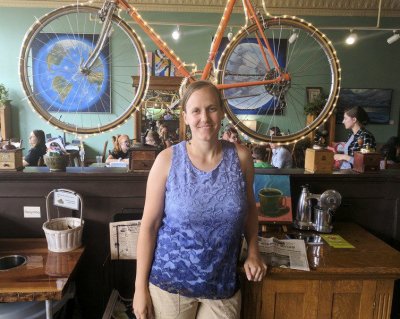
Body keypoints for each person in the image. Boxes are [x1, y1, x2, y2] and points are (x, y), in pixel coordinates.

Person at [133, 81, 266, 319]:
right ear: (185, 116)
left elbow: (249, 210)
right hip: (170, 287)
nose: (204, 117)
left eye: (211, 108)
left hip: (222, 285)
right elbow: (149, 227)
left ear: (222, 112)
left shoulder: (242, 158)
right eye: (196, 110)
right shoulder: (167, 160)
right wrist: (138, 289)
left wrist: (254, 250)